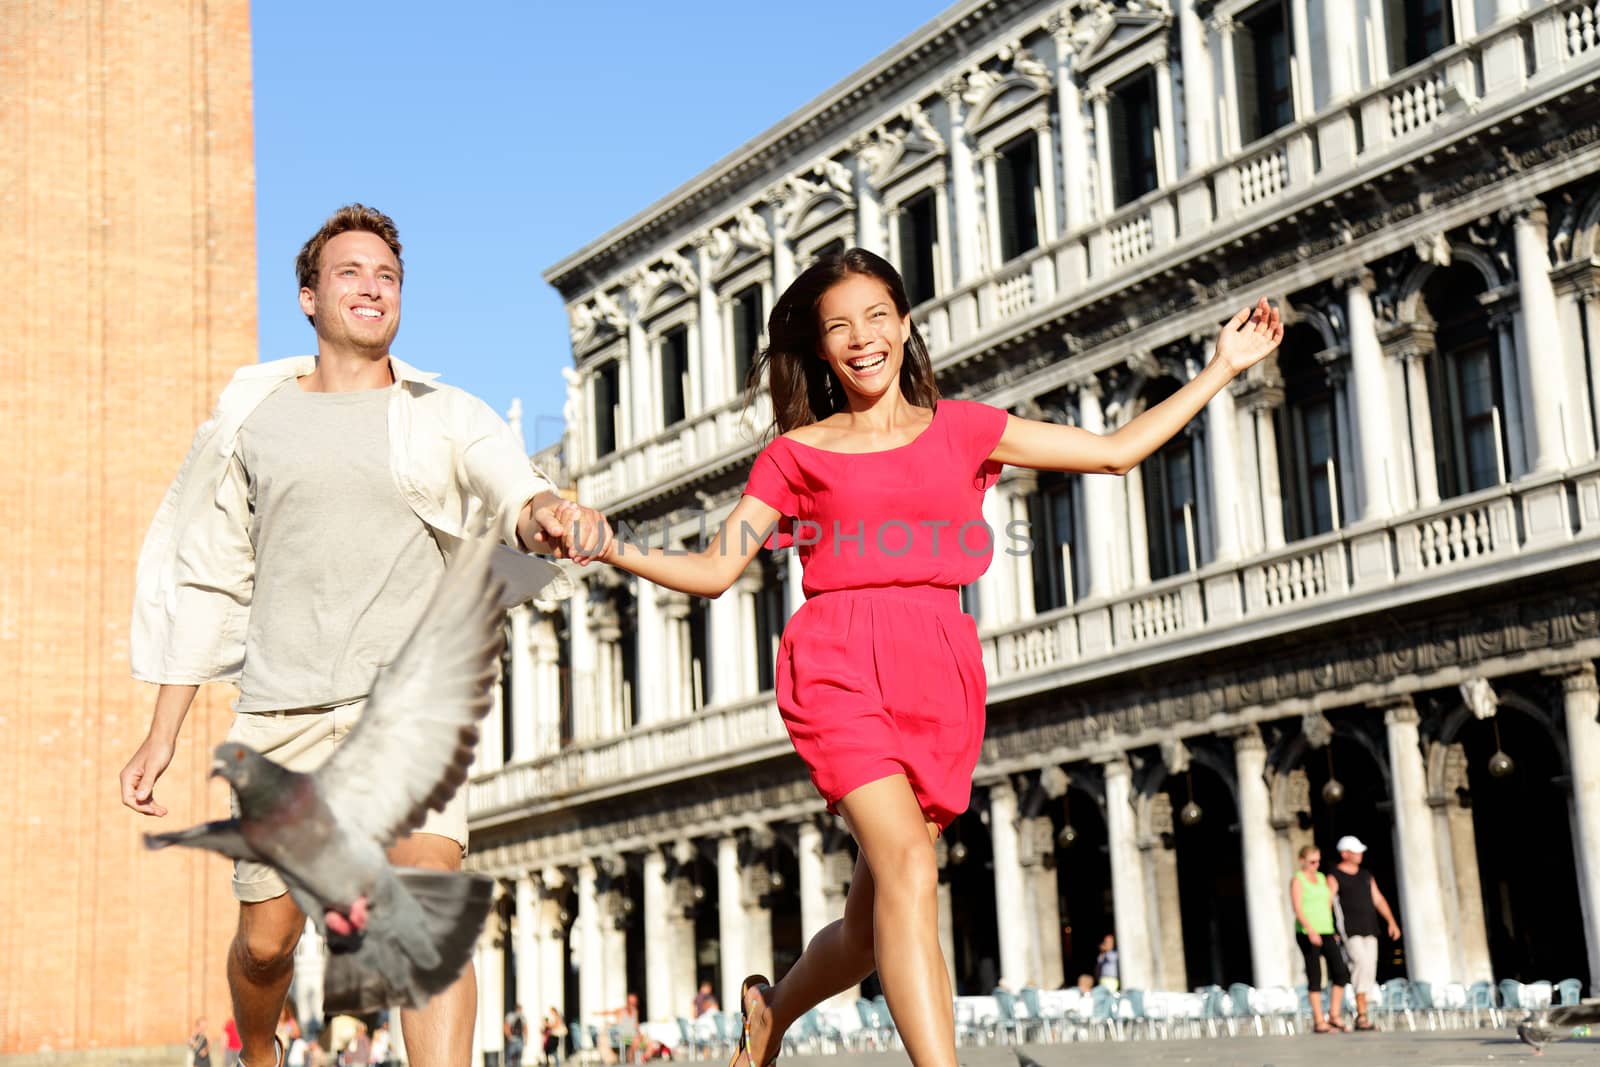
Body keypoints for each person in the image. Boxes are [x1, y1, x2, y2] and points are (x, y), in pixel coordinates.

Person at [556, 248, 1283, 1067]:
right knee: (908, 865)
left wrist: (1221, 366)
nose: (862, 339)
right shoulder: (796, 453)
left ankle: (771, 1012)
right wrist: (613, 545)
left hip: (937, 672)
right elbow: (716, 570)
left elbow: (1115, 451)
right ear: (822, 349)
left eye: (876, 317)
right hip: (836, 665)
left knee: (872, 931)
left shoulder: (968, 427)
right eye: (840, 327)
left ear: (904, 324)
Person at [117, 204, 609, 1067]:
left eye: (387, 275)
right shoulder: (256, 425)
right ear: (309, 297)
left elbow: (508, 484)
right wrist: (162, 733)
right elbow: (210, 580)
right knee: (267, 944)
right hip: (283, 720)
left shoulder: (443, 412)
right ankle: (261, 1051)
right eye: (350, 272)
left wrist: (547, 512)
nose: (372, 286)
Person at [1329, 835, 1401, 1030]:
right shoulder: (1334, 875)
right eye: (1356, 851)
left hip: (1370, 928)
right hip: (1350, 930)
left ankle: (1363, 1013)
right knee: (1360, 964)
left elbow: (1377, 899)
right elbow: (1328, 902)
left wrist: (1391, 921)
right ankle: (1361, 1014)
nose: (1360, 855)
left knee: (1370, 966)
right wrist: (1330, 928)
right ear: (1345, 854)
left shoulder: (1366, 875)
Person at [1291, 845, 1351, 1032]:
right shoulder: (1297, 880)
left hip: (1326, 929)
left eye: (1318, 861)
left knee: (1341, 972)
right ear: (1302, 860)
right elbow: (1297, 908)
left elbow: (1327, 905)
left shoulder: (1322, 878)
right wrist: (1310, 930)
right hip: (1307, 932)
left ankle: (1333, 1015)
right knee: (1315, 974)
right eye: (1312, 862)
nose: (1316, 865)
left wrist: (1332, 928)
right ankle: (1319, 1021)